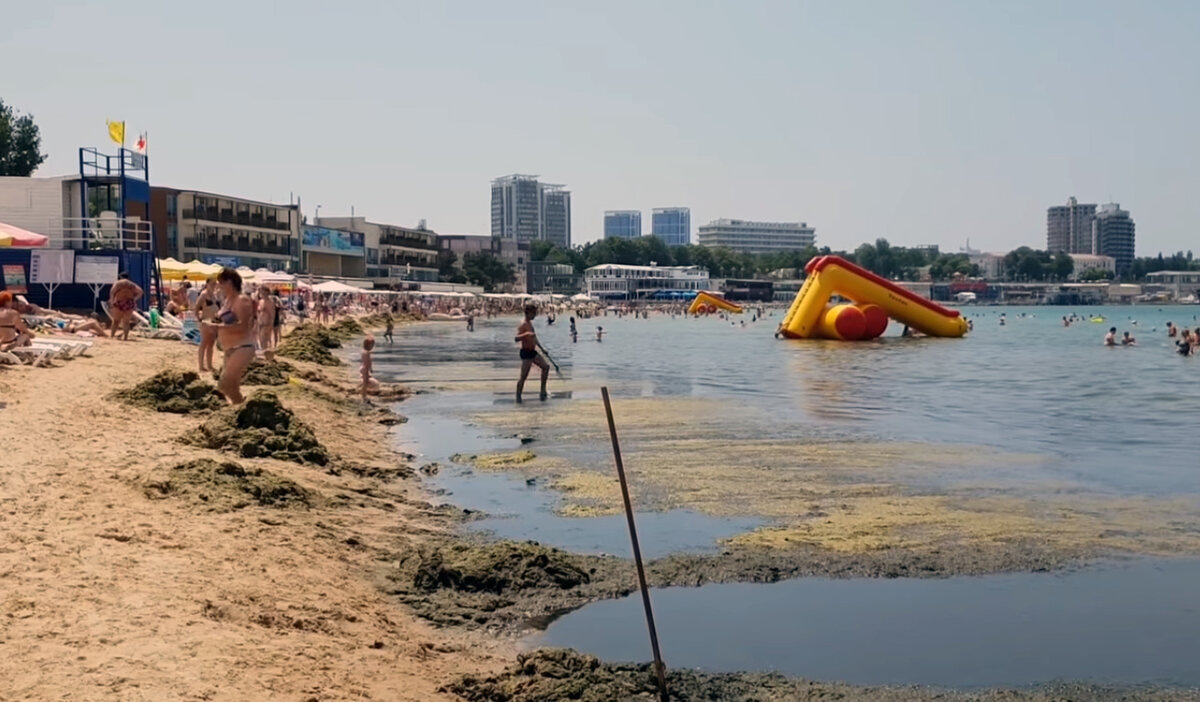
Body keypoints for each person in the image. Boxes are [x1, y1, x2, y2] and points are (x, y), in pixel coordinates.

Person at [205, 267, 255, 404]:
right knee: (229, 387)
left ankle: (240, 407)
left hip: (243, 347)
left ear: (230, 283)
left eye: (221, 282)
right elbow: (224, 321)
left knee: (226, 383)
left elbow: (243, 325)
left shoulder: (242, 300)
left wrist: (217, 326)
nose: (219, 286)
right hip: (229, 349)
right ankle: (239, 408)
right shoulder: (227, 301)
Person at [514, 303, 549, 403]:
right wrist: (526, 334)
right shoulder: (523, 324)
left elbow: (534, 338)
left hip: (533, 351)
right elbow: (516, 338)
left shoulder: (530, 323)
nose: (535, 315)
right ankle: (518, 397)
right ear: (528, 312)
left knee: (546, 367)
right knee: (523, 376)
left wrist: (542, 349)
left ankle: (542, 391)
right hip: (526, 353)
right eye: (534, 313)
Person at [108, 272, 143, 341]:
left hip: (120, 301)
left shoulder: (118, 283)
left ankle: (112, 336)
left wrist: (112, 301)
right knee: (126, 322)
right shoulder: (131, 284)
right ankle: (125, 337)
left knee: (116, 321)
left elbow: (112, 292)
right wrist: (134, 299)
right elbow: (140, 292)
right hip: (129, 302)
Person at [195, 277, 220, 372]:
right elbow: (197, 307)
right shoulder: (204, 294)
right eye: (212, 284)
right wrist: (198, 318)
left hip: (214, 322)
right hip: (206, 321)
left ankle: (209, 365)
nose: (214, 286)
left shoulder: (215, 295)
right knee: (204, 343)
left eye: (215, 284)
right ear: (207, 284)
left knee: (211, 344)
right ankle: (201, 365)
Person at [256, 286, 277, 361]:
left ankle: (267, 357)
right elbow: (258, 312)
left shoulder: (270, 303)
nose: (260, 293)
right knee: (261, 340)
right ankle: (264, 355)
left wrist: (270, 326)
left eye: (261, 291)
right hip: (260, 323)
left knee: (265, 340)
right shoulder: (261, 301)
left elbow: (272, 315)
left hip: (266, 324)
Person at [360, 336, 379, 401]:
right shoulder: (367, 353)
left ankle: (364, 393)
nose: (373, 347)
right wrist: (370, 368)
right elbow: (368, 361)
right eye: (372, 345)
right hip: (365, 368)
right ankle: (363, 395)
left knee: (366, 382)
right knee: (365, 383)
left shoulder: (364, 351)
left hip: (363, 368)